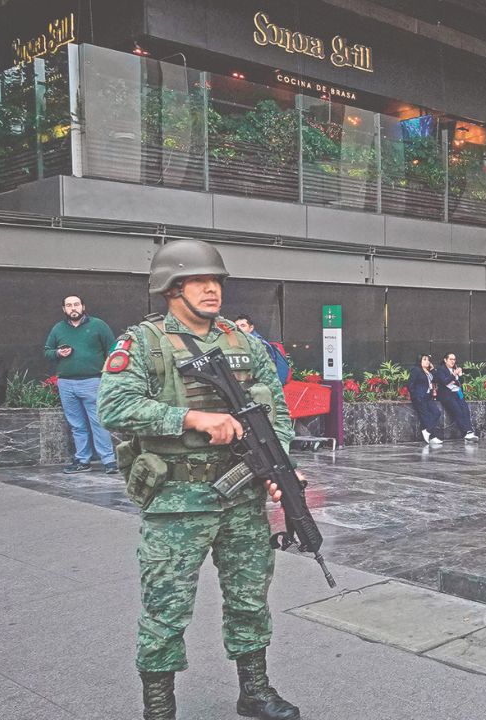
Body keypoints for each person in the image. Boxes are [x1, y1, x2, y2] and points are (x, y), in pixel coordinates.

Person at [95, 239, 300, 720]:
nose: (212, 289)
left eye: (216, 281)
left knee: (250, 598)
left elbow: (280, 414)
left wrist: (279, 466)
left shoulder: (243, 341)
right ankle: (159, 708)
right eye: (198, 281)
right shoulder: (142, 343)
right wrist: (192, 418)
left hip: (241, 494)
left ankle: (254, 691)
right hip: (175, 500)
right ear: (171, 288)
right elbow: (114, 406)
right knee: (166, 608)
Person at [44, 294, 119, 474]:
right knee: (76, 424)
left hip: (92, 381)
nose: (73, 308)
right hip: (66, 383)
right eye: (69, 305)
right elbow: (47, 351)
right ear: (64, 310)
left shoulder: (98, 325)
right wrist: (58, 353)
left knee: (98, 422)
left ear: (83, 306)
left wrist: (109, 374)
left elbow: (114, 349)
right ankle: (82, 460)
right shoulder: (58, 328)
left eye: (76, 304)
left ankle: (108, 461)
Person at [434, 352, 478, 442]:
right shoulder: (441, 369)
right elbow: (445, 382)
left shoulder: (455, 369)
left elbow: (460, 382)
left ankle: (469, 431)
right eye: (450, 359)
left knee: (465, 409)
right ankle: (466, 432)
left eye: (454, 359)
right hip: (447, 394)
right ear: (445, 360)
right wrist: (454, 375)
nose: (453, 361)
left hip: (457, 393)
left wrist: (460, 375)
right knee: (457, 410)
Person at [234, 315, 290, 385]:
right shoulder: (237, 342)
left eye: (243, 326)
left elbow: (267, 371)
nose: (239, 328)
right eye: (236, 326)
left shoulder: (261, 344)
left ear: (251, 328)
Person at [407, 354, 445, 446]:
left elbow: (436, 380)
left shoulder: (428, 371)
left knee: (437, 412)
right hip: (419, 397)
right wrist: (415, 395)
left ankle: (427, 431)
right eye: (424, 359)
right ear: (419, 361)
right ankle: (432, 437)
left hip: (428, 396)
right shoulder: (416, 370)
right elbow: (410, 384)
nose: (427, 361)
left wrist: (432, 370)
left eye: (428, 360)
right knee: (426, 417)